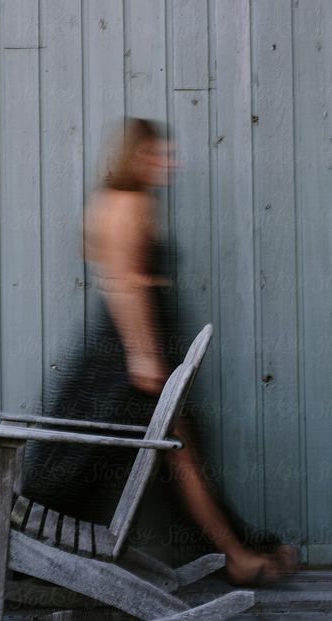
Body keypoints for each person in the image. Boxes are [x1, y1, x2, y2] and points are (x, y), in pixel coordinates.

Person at [20, 116, 295, 585]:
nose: (165, 162)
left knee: (180, 453)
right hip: (127, 357)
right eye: (153, 154)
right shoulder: (125, 203)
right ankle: (236, 555)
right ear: (130, 156)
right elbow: (123, 285)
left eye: (165, 153)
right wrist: (144, 356)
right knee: (179, 453)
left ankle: (235, 552)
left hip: (129, 352)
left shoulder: (121, 201)